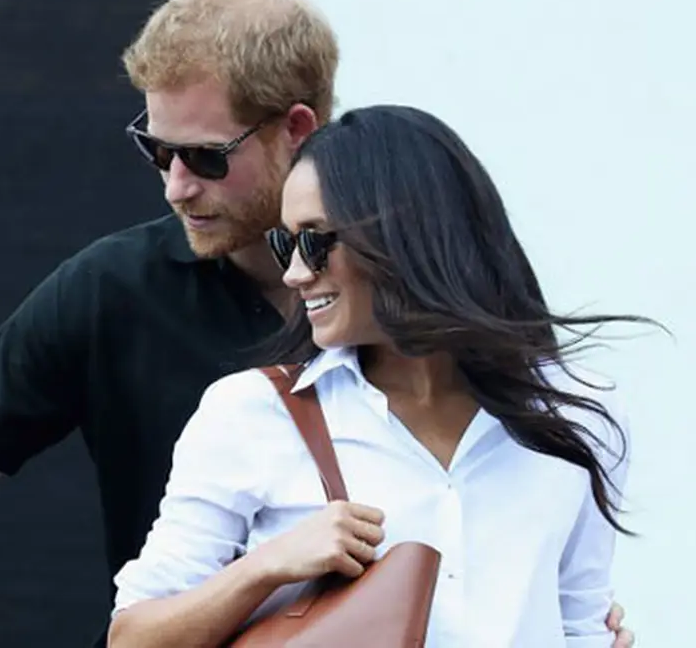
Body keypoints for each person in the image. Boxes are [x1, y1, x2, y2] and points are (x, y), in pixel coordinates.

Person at [0, 0, 636, 647]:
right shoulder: (120, 296)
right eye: (152, 148)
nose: (173, 183)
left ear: (299, 130)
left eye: (204, 156)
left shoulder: (459, 339)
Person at [107, 104, 656, 647]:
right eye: (285, 242)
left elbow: (580, 625)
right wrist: (266, 567)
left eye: (316, 241)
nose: (296, 273)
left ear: (406, 236)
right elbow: (133, 637)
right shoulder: (253, 413)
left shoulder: (579, 415)